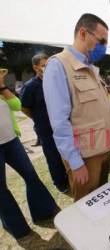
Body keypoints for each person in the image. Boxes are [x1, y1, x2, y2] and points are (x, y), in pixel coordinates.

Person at [43, 13, 110, 201]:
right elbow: (59, 122)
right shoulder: (58, 66)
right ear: (83, 33)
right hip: (85, 157)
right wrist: (75, 162)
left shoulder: (90, 67)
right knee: (86, 208)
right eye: (102, 41)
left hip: (103, 149)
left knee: (102, 203)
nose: (104, 47)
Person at [0, 69, 59, 239]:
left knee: (30, 175)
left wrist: (2, 87)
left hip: (11, 141)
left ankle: (44, 211)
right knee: (1, 189)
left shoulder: (2, 90)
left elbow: (17, 106)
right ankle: (17, 227)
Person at [21, 53, 68, 193]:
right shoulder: (30, 87)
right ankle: (60, 183)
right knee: (53, 156)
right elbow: (24, 108)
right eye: (44, 65)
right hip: (45, 128)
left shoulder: (56, 81)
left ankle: (70, 176)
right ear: (36, 68)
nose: (47, 68)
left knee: (66, 152)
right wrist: (37, 118)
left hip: (61, 125)